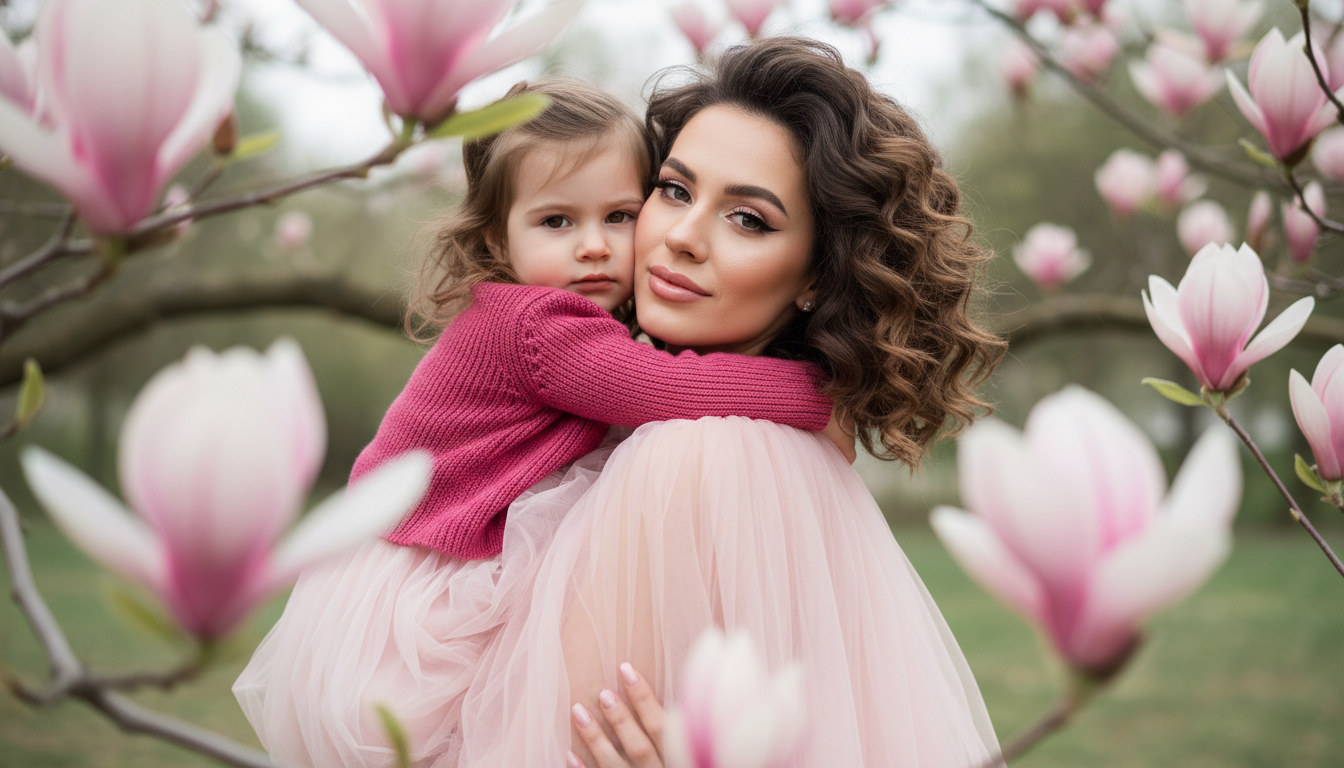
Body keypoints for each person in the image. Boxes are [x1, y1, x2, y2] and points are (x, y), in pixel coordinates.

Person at [234, 75, 852, 767]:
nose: (594, 246)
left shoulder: (577, 319)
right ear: (500, 239)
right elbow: (663, 387)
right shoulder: (534, 325)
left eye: (619, 216)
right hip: (420, 588)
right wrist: (815, 395)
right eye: (557, 222)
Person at [470, 38, 1007, 767]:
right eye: (674, 190)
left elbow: (528, 748)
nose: (682, 239)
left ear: (818, 275)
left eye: (748, 219)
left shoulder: (691, 452)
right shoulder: (799, 449)